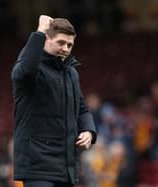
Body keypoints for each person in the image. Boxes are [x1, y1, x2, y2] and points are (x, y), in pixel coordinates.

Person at [11, 15, 97, 187]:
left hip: (66, 167)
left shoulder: (71, 73)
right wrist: (39, 32)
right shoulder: (30, 69)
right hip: (37, 167)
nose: (66, 48)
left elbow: (82, 109)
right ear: (45, 39)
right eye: (60, 43)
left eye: (70, 44)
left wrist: (88, 131)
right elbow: (26, 70)